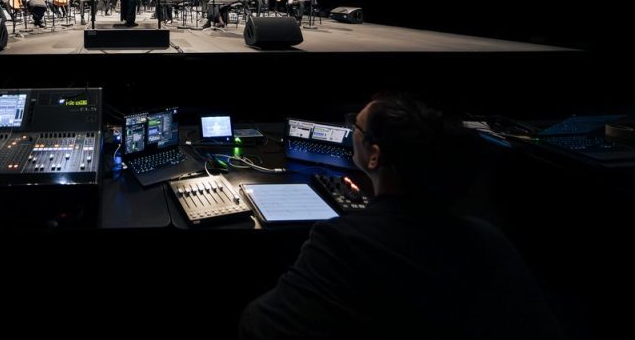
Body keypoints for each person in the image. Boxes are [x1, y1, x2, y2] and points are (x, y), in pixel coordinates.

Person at [239, 93, 562, 340]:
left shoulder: (344, 240)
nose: (352, 130)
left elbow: (260, 323)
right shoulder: (490, 240)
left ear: (374, 156)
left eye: (356, 126)